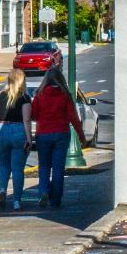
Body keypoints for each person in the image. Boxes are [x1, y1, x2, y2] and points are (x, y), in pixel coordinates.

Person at [29, 65, 88, 210]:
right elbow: (73, 118)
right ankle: (56, 200)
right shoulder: (65, 95)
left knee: (44, 166)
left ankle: (43, 191)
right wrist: (81, 136)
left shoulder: (39, 95)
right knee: (58, 168)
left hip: (43, 134)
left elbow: (34, 115)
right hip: (61, 133)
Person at [0, 68, 32, 211]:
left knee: (2, 165)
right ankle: (16, 202)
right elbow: (26, 120)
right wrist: (29, 139)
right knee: (17, 169)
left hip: (1, 131)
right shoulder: (24, 98)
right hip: (18, 131)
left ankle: (2, 190)